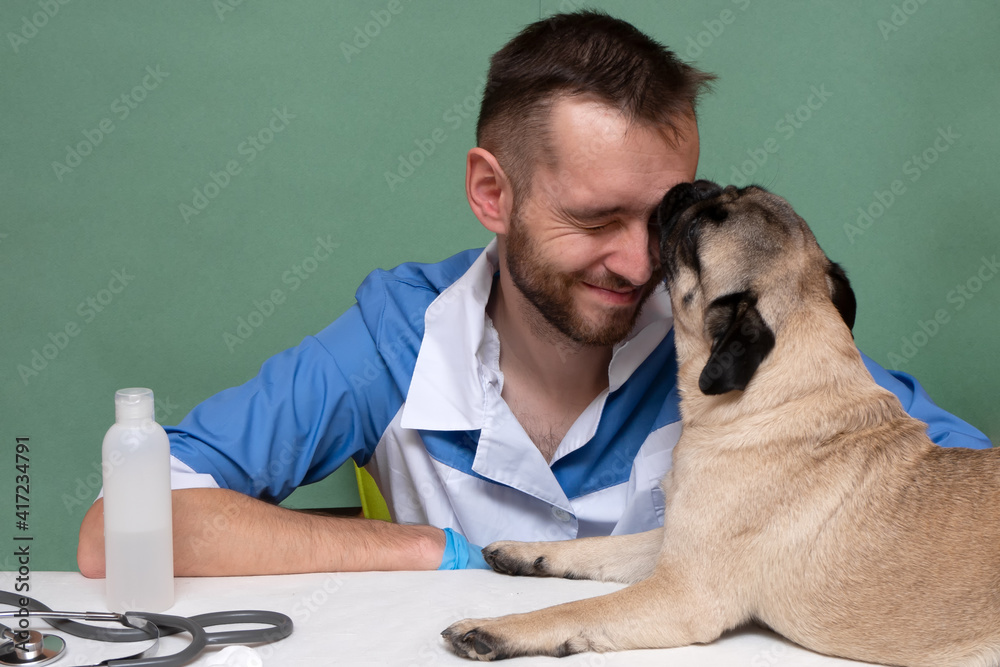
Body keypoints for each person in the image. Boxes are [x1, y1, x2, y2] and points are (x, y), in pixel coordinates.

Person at [77, 10, 991, 578]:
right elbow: (118, 531)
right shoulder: (395, 338)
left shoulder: (738, 339)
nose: (638, 265)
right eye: (595, 218)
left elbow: (970, 498)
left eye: (663, 218)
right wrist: (444, 554)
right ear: (492, 192)